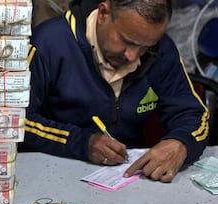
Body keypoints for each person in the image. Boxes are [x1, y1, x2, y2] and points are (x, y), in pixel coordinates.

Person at [19, 0, 209, 182]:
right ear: (103, 13)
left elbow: (192, 114)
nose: (133, 56)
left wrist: (181, 144)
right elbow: (15, 122)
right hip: (53, 171)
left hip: (127, 180)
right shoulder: (49, 43)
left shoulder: (162, 49)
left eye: (145, 47)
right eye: (127, 41)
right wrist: (81, 143)